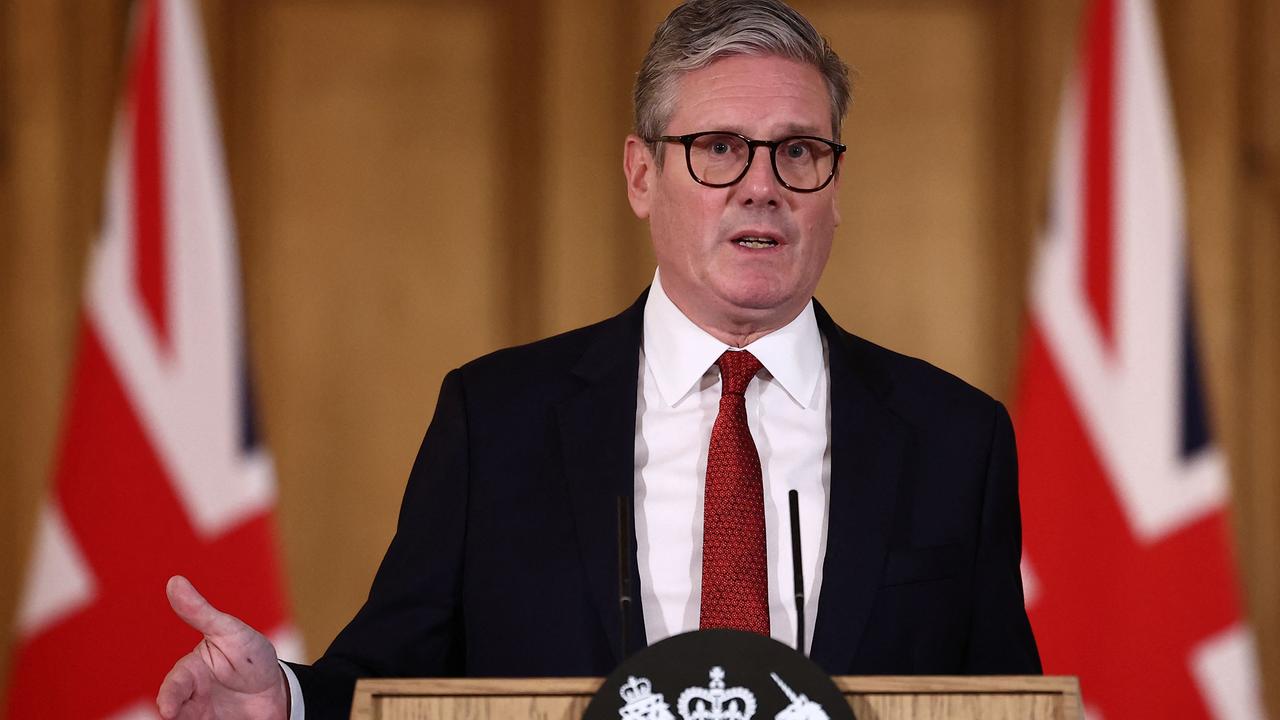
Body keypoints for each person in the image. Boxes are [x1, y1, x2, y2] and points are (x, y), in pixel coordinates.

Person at [157, 1, 1040, 718]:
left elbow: (1002, 703)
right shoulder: (498, 421)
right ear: (641, 176)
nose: (762, 185)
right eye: (720, 148)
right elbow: (395, 674)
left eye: (799, 151)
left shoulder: (954, 439)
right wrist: (288, 699)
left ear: (834, 190)